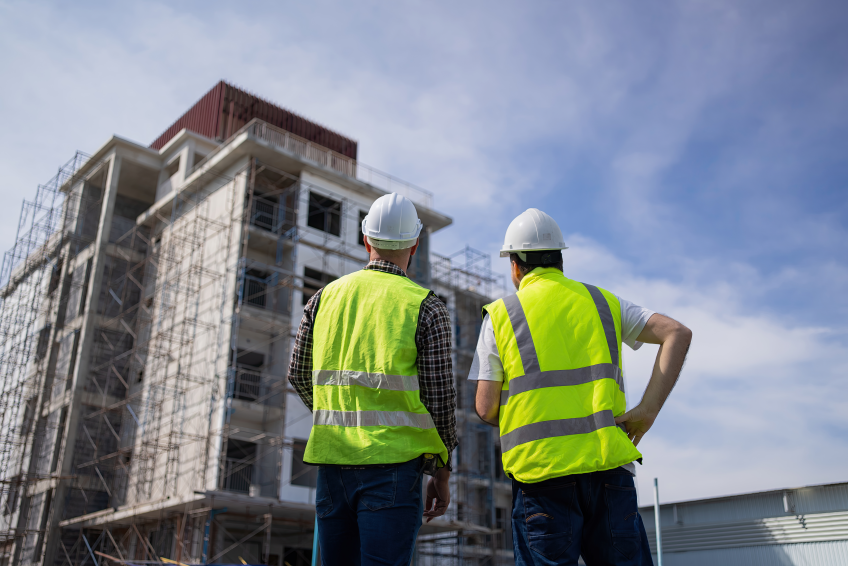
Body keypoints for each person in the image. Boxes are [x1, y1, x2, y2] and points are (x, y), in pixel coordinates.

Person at [471, 208, 692, 566]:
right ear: (560, 258)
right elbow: (677, 334)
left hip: (542, 475)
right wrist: (647, 410)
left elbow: (485, 408)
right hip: (609, 469)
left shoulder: (501, 315)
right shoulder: (604, 302)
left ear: (515, 264)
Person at [288, 193, 457, 566]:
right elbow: (441, 401)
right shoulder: (426, 305)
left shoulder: (323, 298)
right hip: (395, 470)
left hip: (333, 465)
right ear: (414, 243)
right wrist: (441, 472)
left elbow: (298, 375)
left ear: (366, 239)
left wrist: (340, 414)